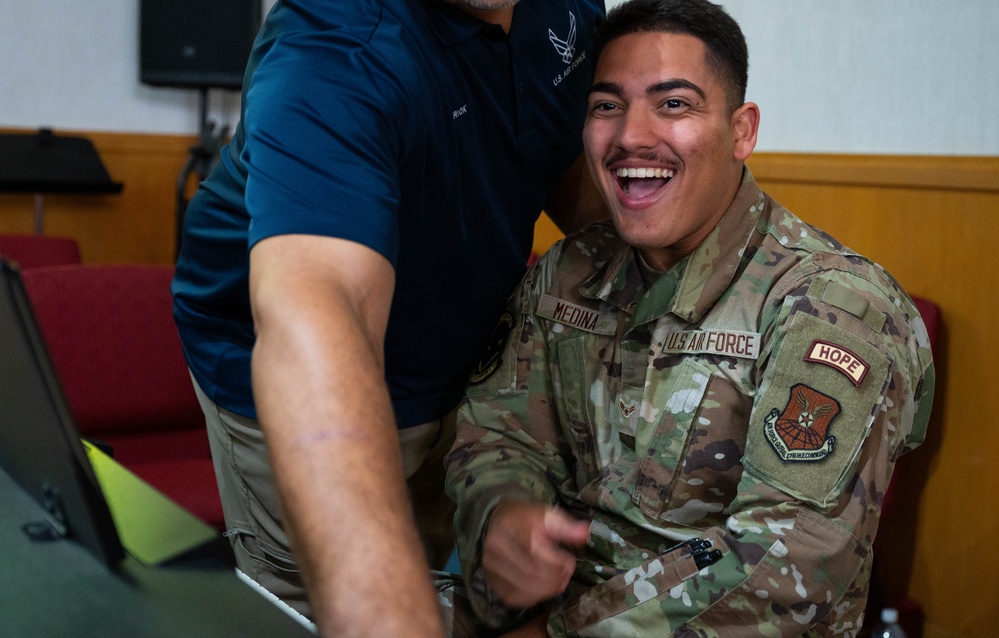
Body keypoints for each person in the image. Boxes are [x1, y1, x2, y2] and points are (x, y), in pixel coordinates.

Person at [444, 0, 936, 635]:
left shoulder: (830, 307)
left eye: (673, 103)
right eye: (606, 105)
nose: (631, 136)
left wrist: (558, 634)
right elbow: (495, 438)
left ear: (741, 131)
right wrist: (503, 513)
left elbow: (787, 571)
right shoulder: (565, 272)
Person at [170, 0, 607, 635]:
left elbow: (550, 139)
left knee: (432, 569)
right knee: (322, 607)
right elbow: (320, 315)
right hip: (293, 371)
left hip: (456, 345)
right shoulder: (337, 48)